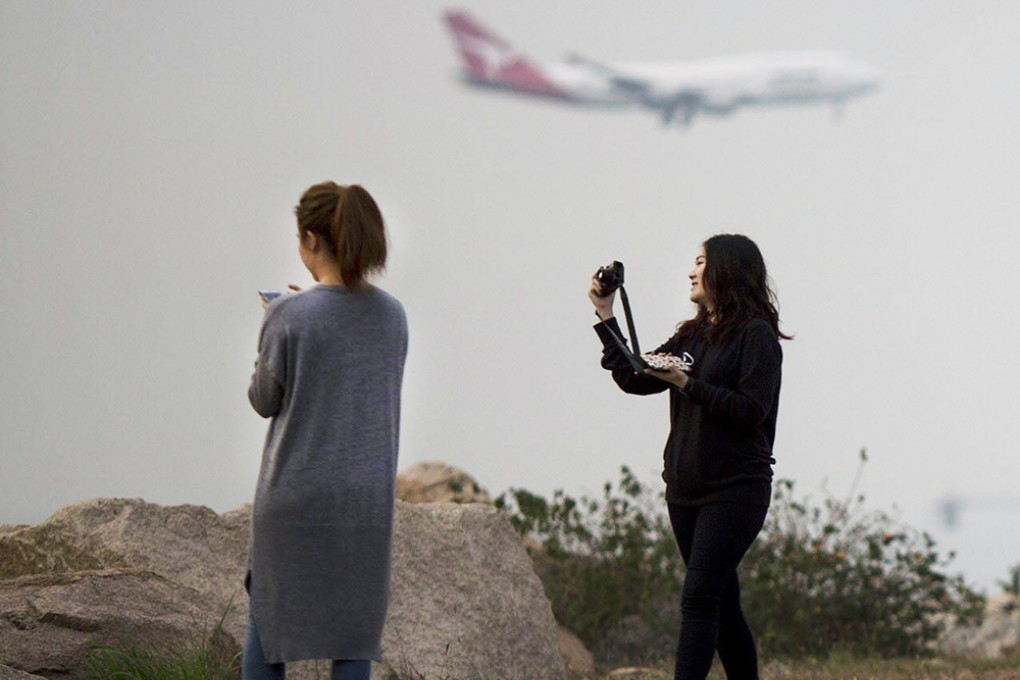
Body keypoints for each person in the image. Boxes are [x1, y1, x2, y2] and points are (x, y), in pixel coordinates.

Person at [588, 234, 788, 680]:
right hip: (684, 491)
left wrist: (685, 383)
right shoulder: (693, 335)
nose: (692, 271)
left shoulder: (757, 336)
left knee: (699, 600)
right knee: (723, 604)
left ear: (726, 271)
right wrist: (606, 315)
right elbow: (635, 377)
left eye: (700, 262)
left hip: (735, 491)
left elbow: (749, 411)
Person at [245, 181, 408, 680]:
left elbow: (263, 400)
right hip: (364, 503)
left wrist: (275, 321)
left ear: (312, 239)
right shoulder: (392, 315)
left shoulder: (290, 316)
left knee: (270, 632)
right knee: (353, 638)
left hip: (294, 497)